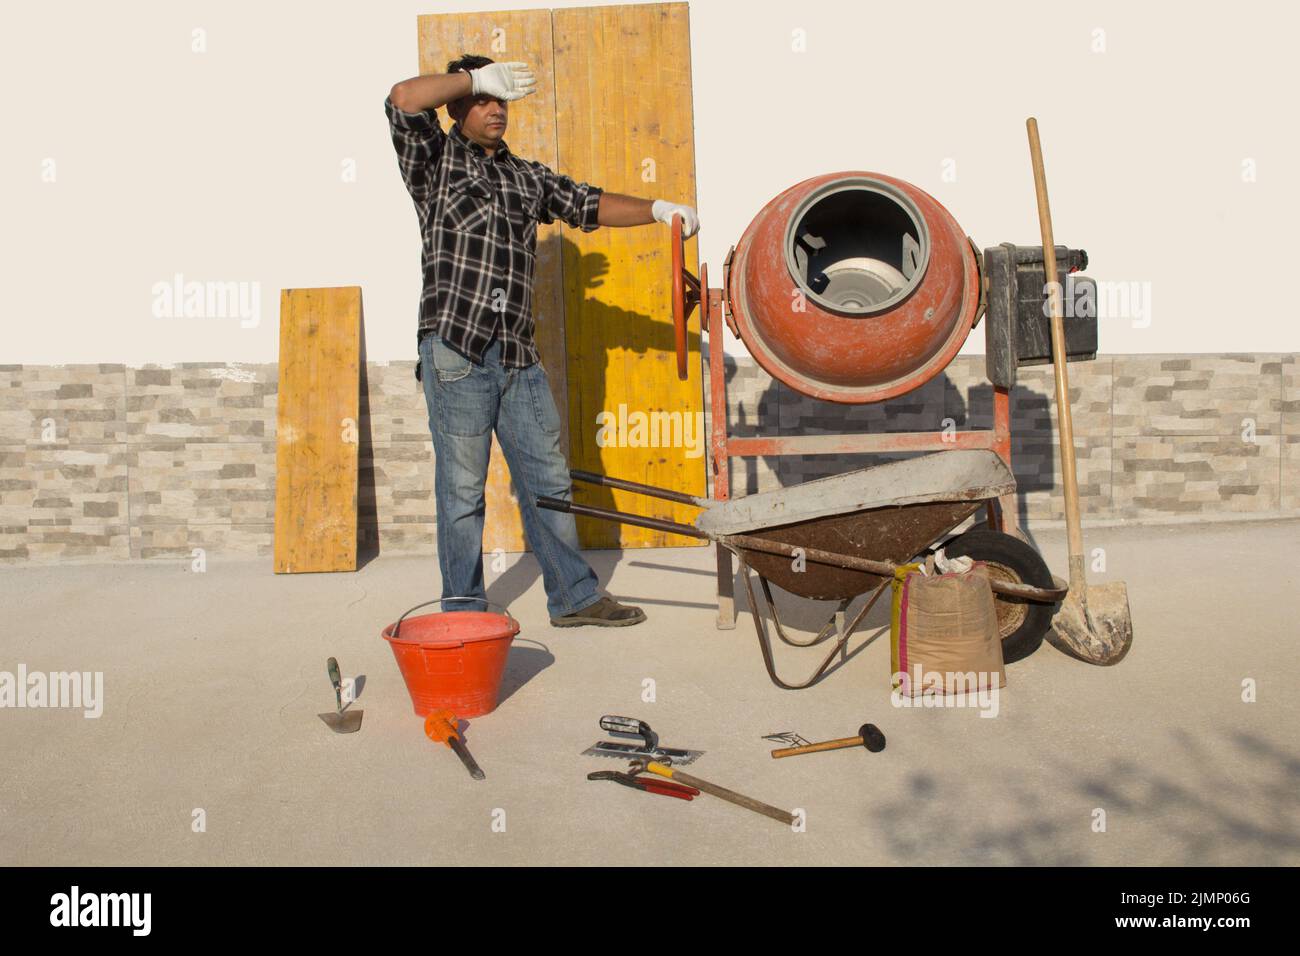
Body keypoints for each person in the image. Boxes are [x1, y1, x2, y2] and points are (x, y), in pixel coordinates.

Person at [385, 55, 700, 627]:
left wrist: (658, 210)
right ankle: (462, 609)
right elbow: (403, 98)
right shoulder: (434, 162)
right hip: (457, 351)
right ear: (457, 107)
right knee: (462, 493)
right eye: (484, 99)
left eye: (501, 98)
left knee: (548, 479)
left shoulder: (526, 177)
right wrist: (477, 76)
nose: (495, 108)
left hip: (518, 358)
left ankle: (574, 597)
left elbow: (589, 203)